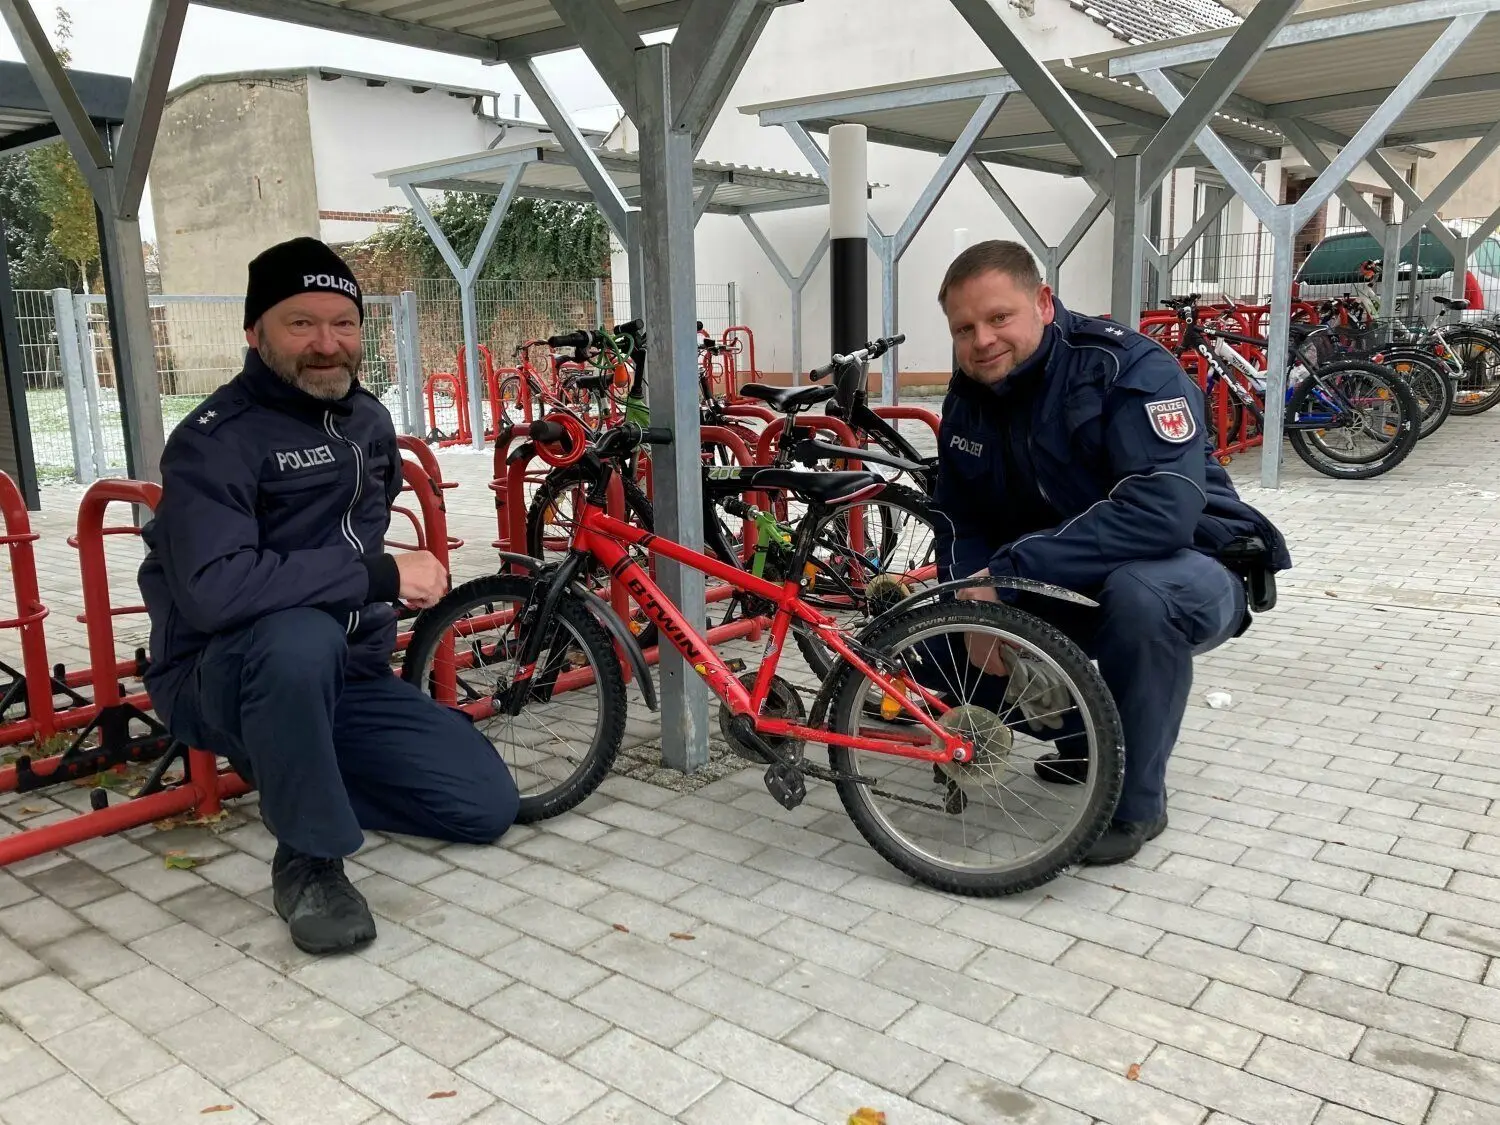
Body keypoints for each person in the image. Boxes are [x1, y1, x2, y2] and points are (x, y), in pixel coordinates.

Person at [139, 237, 519, 954]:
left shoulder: (368, 423)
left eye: (343, 323)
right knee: (298, 634)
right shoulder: (213, 443)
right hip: (222, 673)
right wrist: (378, 576)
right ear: (255, 333)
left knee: (484, 805)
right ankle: (309, 860)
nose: (326, 343)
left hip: (345, 674)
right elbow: (216, 591)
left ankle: (290, 761)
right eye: (300, 323)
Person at [929, 240, 1289, 866]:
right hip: (1058, 569)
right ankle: (1085, 739)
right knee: (934, 638)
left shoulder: (1125, 366)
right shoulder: (968, 394)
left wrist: (1009, 574)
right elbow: (960, 515)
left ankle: (1135, 802)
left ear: (1043, 302)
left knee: (1141, 603)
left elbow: (1162, 512)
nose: (982, 340)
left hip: (1190, 564)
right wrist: (971, 603)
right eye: (964, 328)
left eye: (998, 317)